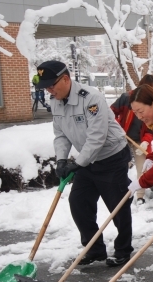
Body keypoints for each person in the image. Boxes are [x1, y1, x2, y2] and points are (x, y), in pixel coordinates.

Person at [36, 60, 133, 267]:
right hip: (87, 160)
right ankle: (94, 249)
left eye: (52, 85)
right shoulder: (55, 101)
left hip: (111, 157)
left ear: (65, 79)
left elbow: (97, 137)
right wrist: (61, 159)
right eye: (45, 87)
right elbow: (60, 134)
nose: (49, 91)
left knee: (118, 206)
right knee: (78, 203)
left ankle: (123, 250)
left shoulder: (91, 98)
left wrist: (78, 163)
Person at [111, 75, 153, 204]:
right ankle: (121, 192)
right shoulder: (127, 98)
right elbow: (111, 112)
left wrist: (146, 141)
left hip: (140, 141)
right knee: (121, 166)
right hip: (122, 137)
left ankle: (140, 196)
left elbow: (152, 128)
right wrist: (116, 126)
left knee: (142, 167)